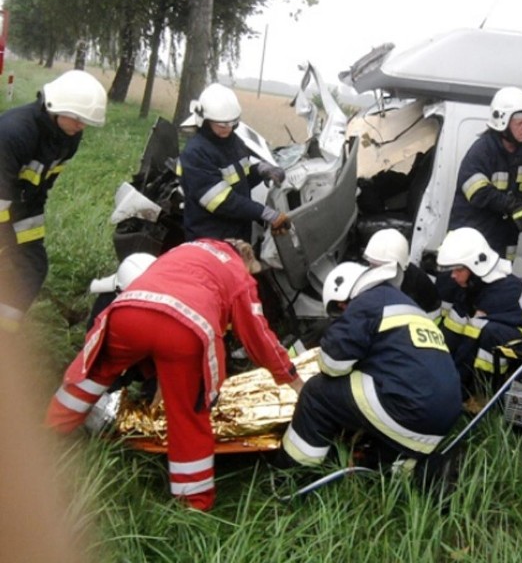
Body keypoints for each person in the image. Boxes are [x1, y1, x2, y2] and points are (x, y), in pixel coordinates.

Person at [45, 238, 305, 511]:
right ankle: (193, 502)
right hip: (185, 331)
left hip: (128, 311)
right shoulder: (239, 276)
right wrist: (291, 377)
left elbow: (166, 300)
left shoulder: (187, 248)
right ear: (247, 261)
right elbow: (259, 339)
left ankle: (50, 430)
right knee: (187, 418)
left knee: (90, 377)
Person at [279, 260, 461, 468]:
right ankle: (420, 470)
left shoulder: (365, 302)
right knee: (374, 461)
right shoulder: (406, 304)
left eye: (342, 310)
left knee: (316, 391)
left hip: (410, 411)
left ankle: (293, 468)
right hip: (443, 417)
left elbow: (332, 364)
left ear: (342, 301)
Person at [0, 69, 107, 331]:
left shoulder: (68, 138)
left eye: (86, 122)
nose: (82, 126)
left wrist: (23, 236)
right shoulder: (13, 132)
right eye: (78, 119)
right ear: (55, 106)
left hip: (21, 207)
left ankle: (6, 335)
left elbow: (41, 186)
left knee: (33, 265)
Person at [436, 227, 522, 395]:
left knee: (489, 332)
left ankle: (484, 394)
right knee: (475, 326)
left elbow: (468, 347)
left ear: (476, 268)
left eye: (458, 270)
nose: (453, 275)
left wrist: (455, 390)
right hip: (516, 338)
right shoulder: (476, 285)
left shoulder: (500, 293)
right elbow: (451, 330)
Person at [177, 83, 290, 243]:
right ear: (204, 120)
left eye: (232, 123)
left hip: (237, 233)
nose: (228, 129)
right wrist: (265, 213)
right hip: (210, 238)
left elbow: (240, 182)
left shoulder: (234, 142)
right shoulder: (196, 153)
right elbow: (223, 201)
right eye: (222, 125)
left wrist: (260, 170)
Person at [447, 86, 522, 260]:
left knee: (502, 286)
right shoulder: (482, 151)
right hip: (472, 242)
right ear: (502, 123)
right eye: (520, 123)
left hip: (505, 243)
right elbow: (477, 192)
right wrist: (513, 205)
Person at [362, 228, 440, 316]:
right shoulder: (396, 275)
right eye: (371, 264)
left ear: (398, 265)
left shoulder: (411, 284)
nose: (373, 269)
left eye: (378, 266)